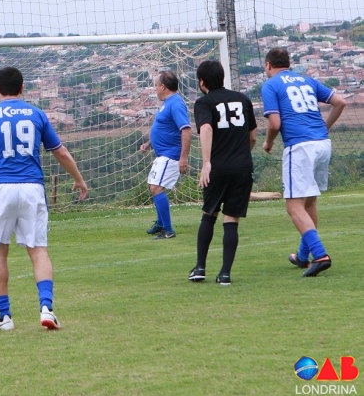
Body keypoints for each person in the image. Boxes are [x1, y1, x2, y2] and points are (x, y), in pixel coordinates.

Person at [0, 67, 88, 331]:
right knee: (38, 249)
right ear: (22, 89)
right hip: (31, 187)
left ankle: (5, 317)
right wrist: (78, 179)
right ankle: (47, 309)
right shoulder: (36, 113)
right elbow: (60, 152)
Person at [261, 47, 346, 277]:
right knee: (309, 202)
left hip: (299, 147)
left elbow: (275, 123)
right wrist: (323, 128)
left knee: (293, 206)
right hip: (322, 144)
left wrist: (268, 143)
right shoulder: (307, 80)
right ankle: (302, 255)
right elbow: (340, 102)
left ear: (268, 65)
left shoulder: (271, 85)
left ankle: (320, 255)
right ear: (288, 63)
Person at [189, 60, 257, 286]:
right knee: (231, 219)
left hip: (217, 167)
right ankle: (225, 274)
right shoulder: (243, 99)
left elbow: (206, 128)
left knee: (209, 213)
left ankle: (200, 268)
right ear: (223, 77)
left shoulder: (204, 102)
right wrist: (241, 156)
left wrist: (206, 162)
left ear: (201, 82)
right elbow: (252, 136)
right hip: (242, 167)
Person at [140, 71, 191, 240]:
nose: (154, 89)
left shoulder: (176, 103)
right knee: (152, 186)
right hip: (163, 154)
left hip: (171, 154)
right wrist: (149, 143)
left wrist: (183, 157)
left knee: (156, 187)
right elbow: (164, 128)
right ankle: (161, 223)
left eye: (156, 85)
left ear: (163, 87)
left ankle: (168, 230)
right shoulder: (167, 103)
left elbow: (186, 129)